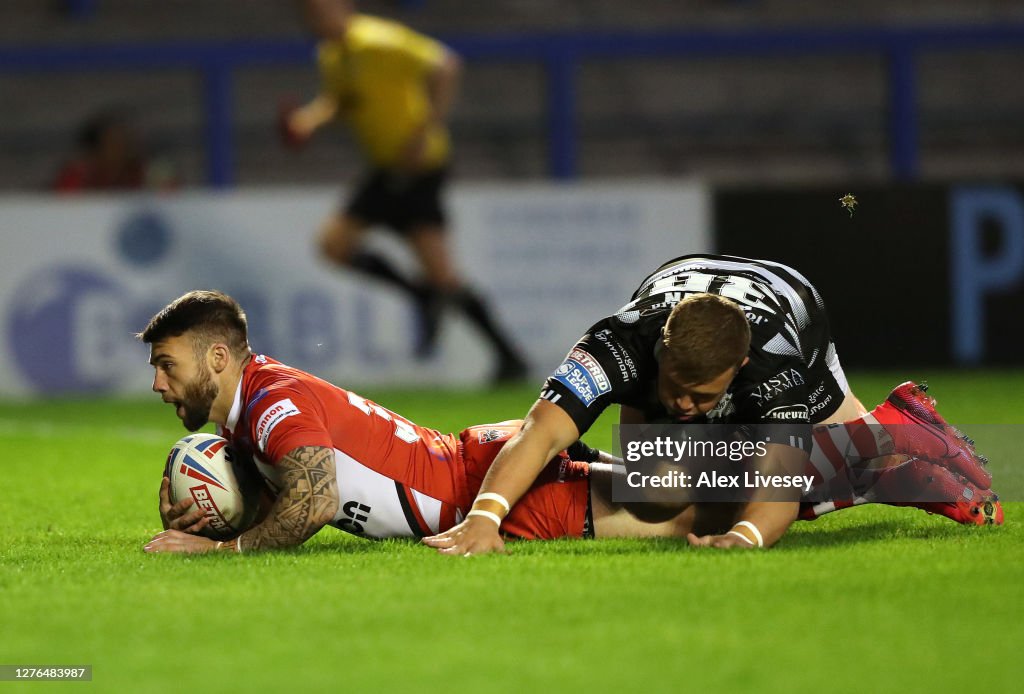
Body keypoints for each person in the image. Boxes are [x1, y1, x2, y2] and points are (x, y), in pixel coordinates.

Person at [422, 253, 1000, 555]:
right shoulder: (618, 342)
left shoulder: (775, 368)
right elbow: (540, 431)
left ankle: (900, 433)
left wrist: (744, 538)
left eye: (703, 396)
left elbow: (775, 494)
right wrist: (483, 519)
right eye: (674, 386)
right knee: (650, 485)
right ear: (661, 354)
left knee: (846, 455)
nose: (683, 404)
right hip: (678, 287)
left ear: (738, 370)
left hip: (788, 302)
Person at [139, 290, 693, 555]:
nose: (159, 384)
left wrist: (221, 553)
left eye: (168, 366)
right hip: (475, 461)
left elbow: (315, 502)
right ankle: (773, 474)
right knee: (681, 486)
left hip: (483, 496)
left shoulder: (273, 404)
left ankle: (776, 466)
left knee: (689, 516)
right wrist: (208, 517)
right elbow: (281, 497)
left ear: (216, 358)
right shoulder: (248, 409)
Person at [279, 0, 527, 382]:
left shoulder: (378, 40)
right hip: (385, 168)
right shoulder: (331, 55)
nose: (316, 19)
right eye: (310, 14)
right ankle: (421, 295)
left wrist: (425, 129)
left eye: (323, 9)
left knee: (442, 273)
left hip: (419, 167)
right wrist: (309, 121)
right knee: (334, 245)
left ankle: (509, 357)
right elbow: (342, 101)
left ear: (343, 7)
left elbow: (445, 65)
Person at [53, 108, 178, 192]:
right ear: (98, 148)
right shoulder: (80, 174)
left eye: (126, 142)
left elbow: (175, 200)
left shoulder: (146, 171)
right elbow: (61, 206)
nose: (121, 149)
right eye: (113, 143)